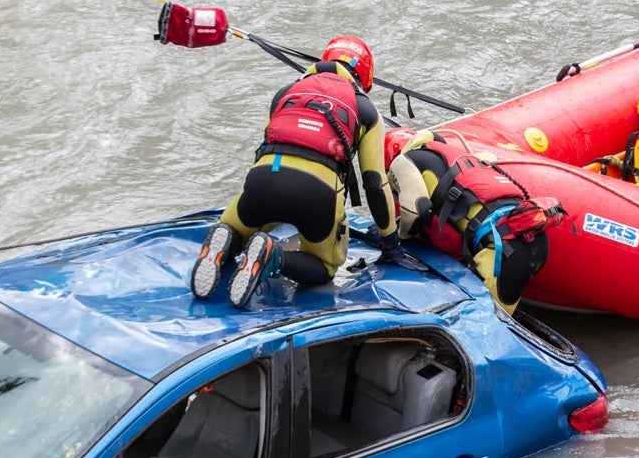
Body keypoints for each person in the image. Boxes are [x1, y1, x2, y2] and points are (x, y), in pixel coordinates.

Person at [191, 35, 397, 309]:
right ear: (365, 77)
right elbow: (374, 182)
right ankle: (273, 255)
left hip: (263, 180)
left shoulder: (285, 93)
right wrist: (391, 242)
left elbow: (264, 146)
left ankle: (226, 239)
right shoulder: (366, 110)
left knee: (234, 228)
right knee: (324, 268)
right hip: (318, 193)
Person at [385, 129, 564, 315]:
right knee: (501, 320)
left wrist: (395, 239)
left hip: (503, 249)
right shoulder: (453, 157)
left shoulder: (403, 161)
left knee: (481, 323)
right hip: (532, 241)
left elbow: (416, 212)